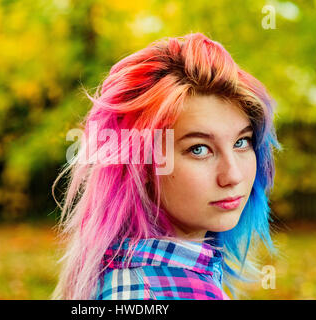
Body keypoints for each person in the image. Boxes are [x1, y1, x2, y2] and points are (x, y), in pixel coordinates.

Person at [51, 32, 282, 300]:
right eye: (199, 149)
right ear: (143, 166)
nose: (233, 175)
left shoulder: (120, 269)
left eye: (242, 142)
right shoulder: (157, 291)